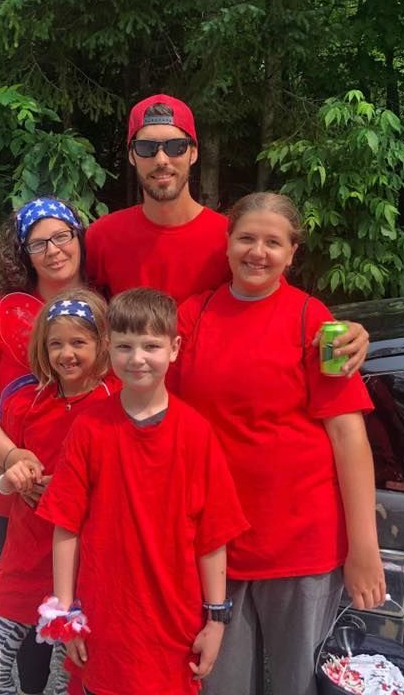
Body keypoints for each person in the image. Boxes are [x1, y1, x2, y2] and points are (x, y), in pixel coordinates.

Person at [0, 94, 370, 376]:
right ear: (132, 155)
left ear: (193, 152)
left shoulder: (232, 239)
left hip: (209, 412)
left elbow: (276, 307)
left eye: (174, 146)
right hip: (124, 411)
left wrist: (346, 331)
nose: (161, 160)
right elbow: (55, 285)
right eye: (147, 147)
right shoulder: (104, 236)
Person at [173, 192, 386, 695]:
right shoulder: (192, 317)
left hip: (301, 545)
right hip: (215, 544)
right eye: (247, 238)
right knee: (219, 683)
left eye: (273, 242)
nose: (258, 252)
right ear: (227, 245)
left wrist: (364, 549)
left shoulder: (317, 323)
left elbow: (348, 435)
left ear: (292, 253)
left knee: (297, 685)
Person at [36, 288, 250, 695]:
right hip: (105, 618)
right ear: (108, 349)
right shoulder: (89, 428)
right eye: (125, 346)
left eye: (151, 345)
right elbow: (66, 524)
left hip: (174, 623)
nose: (137, 358)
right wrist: (65, 612)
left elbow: (213, 536)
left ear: (174, 348)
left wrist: (216, 619)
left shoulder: (196, 434)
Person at [0, 288, 114, 695]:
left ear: (102, 344)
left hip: (78, 561)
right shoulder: (26, 402)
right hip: (25, 550)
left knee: (68, 671)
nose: (66, 354)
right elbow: (2, 479)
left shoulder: (114, 405)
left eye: (78, 342)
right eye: (56, 344)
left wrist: (74, 491)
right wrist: (12, 474)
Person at [0, 196, 87, 557]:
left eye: (62, 236)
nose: (54, 251)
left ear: (79, 237)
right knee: (21, 607)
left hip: (91, 494)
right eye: (38, 243)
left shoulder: (107, 306)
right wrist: (11, 456)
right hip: (15, 492)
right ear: (23, 252)